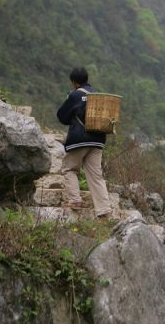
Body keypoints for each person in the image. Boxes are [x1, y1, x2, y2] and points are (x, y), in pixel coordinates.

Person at [57, 67, 112, 218]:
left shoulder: (75, 95)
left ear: (74, 82)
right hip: (98, 141)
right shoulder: (98, 95)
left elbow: (62, 116)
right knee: (96, 175)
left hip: (79, 139)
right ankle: (104, 210)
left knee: (70, 168)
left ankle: (75, 200)